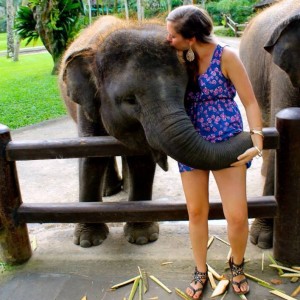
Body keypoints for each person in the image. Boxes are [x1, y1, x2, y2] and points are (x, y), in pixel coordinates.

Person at [166, 5, 264, 299]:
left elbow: (250, 102)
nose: (167, 39)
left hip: (227, 144)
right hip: (190, 143)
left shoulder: (227, 57)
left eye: (172, 35)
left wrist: (257, 140)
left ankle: (237, 265)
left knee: (236, 215)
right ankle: (199, 270)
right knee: (196, 212)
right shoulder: (175, 58)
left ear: (191, 37)